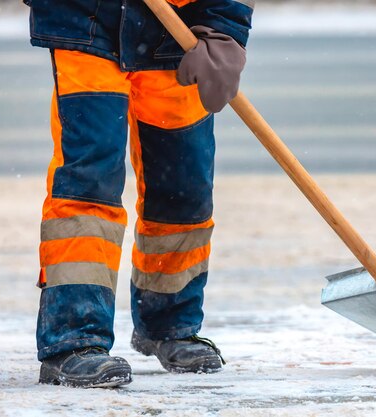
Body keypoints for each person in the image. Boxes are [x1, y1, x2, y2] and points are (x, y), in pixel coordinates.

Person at [23, 0, 254, 388]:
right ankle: (74, 339)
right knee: (89, 185)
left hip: (178, 35)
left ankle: (170, 323)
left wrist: (224, 30)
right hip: (86, 23)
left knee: (184, 187)